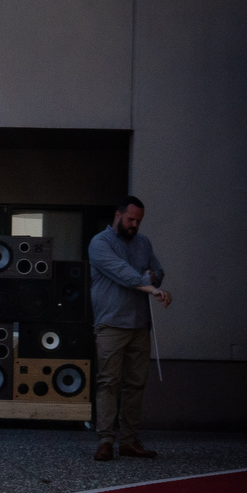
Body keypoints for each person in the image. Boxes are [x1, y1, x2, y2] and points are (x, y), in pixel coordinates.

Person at [88, 195, 171, 462]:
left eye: (139, 221)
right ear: (118, 215)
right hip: (111, 322)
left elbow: (159, 271)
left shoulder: (143, 242)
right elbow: (121, 273)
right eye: (131, 219)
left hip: (139, 323)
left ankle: (129, 440)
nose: (135, 225)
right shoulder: (99, 243)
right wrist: (147, 282)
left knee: (135, 384)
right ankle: (105, 441)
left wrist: (149, 279)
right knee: (108, 382)